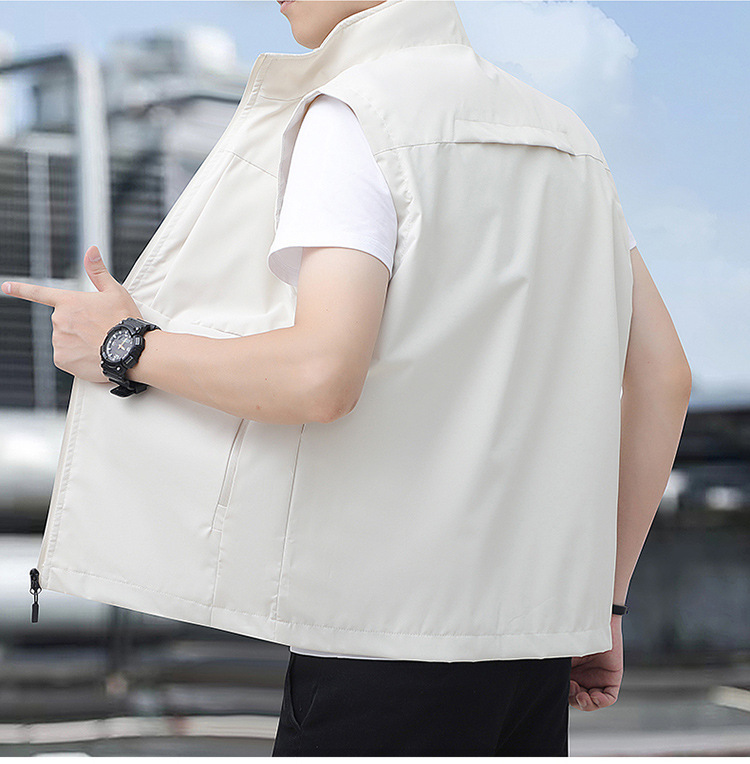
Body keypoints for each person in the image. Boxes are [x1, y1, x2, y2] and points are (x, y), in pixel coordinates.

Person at [1, 0, 692, 756]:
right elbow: (664, 377)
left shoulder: (358, 112)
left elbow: (320, 375)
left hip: (385, 646)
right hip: (534, 650)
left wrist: (124, 346)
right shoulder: (569, 140)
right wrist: (602, 606)